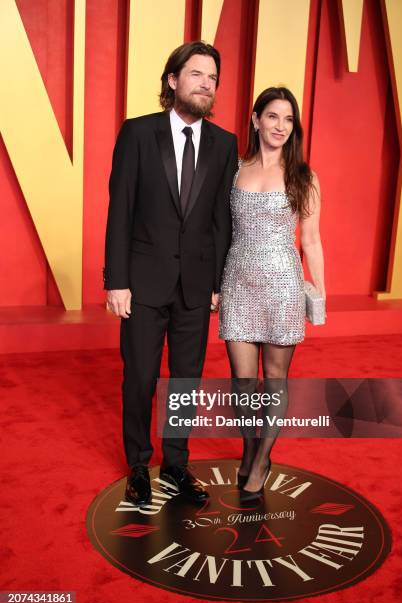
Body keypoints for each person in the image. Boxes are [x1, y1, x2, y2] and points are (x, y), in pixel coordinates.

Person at [104, 41, 238, 506]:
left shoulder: (225, 144)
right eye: (197, 73)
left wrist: (220, 282)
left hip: (196, 287)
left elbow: (222, 218)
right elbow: (119, 209)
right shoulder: (138, 133)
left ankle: (176, 464)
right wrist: (115, 280)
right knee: (140, 377)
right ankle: (139, 464)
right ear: (173, 80)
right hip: (140, 284)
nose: (206, 83)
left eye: (213, 77)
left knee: (185, 380)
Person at [219, 86, 325, 501]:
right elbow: (220, 231)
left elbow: (312, 241)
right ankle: (249, 449)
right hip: (238, 283)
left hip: (283, 285)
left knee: (274, 378)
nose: (280, 126)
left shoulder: (304, 175)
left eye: (288, 119)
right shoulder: (234, 169)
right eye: (273, 116)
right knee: (242, 382)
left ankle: (261, 461)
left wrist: (320, 296)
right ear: (255, 119)